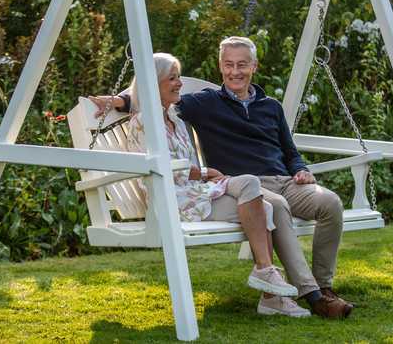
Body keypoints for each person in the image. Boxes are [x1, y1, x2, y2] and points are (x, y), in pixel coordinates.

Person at [92, 39, 353, 319]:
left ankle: (324, 288)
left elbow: (290, 152)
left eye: (242, 64)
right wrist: (118, 100)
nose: (235, 71)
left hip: (287, 181)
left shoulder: (272, 107)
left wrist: (301, 169)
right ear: (220, 67)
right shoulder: (205, 103)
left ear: (254, 66)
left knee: (331, 204)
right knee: (274, 205)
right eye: (229, 65)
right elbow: (152, 93)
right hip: (246, 184)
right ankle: (312, 296)